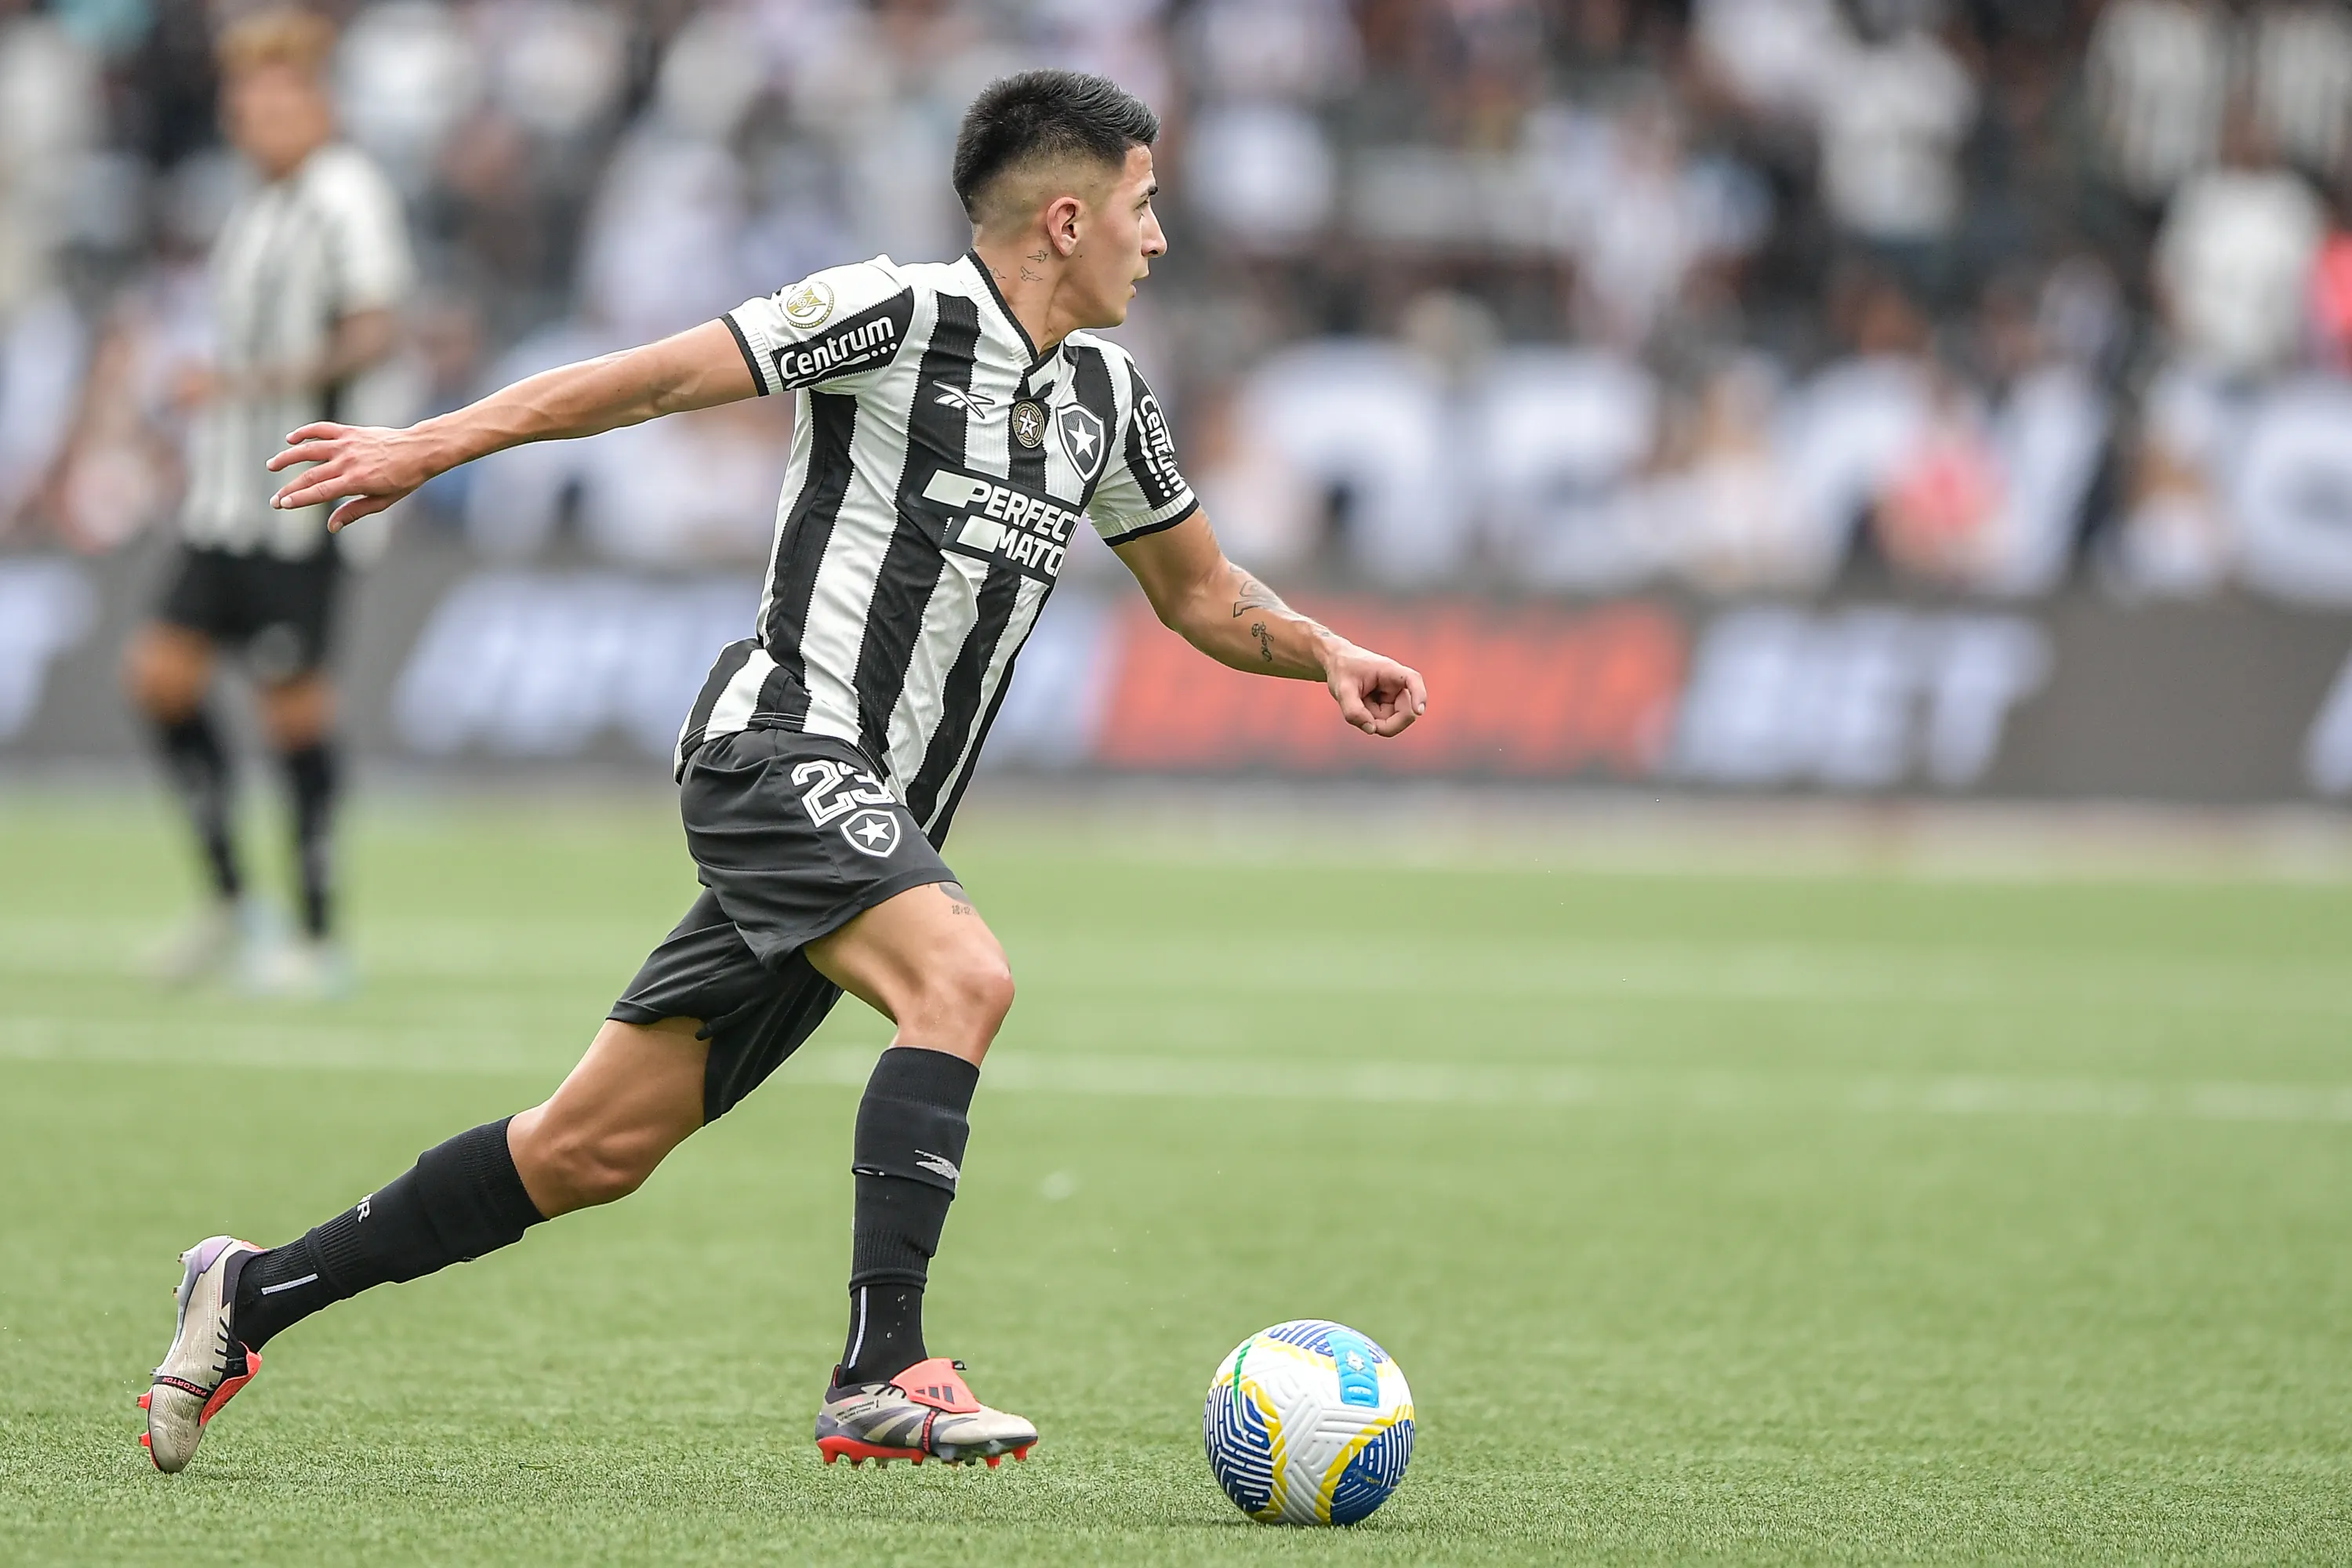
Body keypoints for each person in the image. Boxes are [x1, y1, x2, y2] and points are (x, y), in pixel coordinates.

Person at [141, 70, 1427, 1475]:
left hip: (871, 822)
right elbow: (650, 378)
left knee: (586, 1150)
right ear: (1068, 217)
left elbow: (1195, 592)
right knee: (964, 979)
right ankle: (884, 1366)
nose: (1159, 236)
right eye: (1145, 204)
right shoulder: (896, 310)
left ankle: (251, 1292)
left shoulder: (1107, 401)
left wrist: (1322, 650)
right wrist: (431, 442)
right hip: (780, 749)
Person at [122, 7, 412, 994]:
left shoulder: (346, 197)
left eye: (279, 98)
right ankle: (232, 898)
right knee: (161, 678)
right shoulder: (253, 207)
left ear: (316, 103)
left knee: (292, 710)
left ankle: (320, 936)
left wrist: (246, 389)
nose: (259, 117)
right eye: (245, 101)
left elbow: (374, 330)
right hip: (224, 503)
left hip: (305, 495)